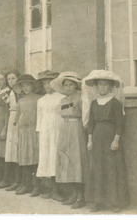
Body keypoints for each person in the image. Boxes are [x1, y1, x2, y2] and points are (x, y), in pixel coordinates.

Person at [83, 70, 129, 212]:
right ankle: (97, 202)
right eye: (100, 85)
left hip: (110, 139)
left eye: (105, 85)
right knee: (97, 168)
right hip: (97, 139)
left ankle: (114, 203)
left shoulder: (115, 103)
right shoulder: (94, 103)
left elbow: (120, 124)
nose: (102, 87)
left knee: (111, 169)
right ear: (96, 87)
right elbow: (91, 123)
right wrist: (90, 140)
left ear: (110, 87)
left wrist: (115, 140)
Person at [52, 71, 87, 209]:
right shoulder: (62, 100)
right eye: (66, 85)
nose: (68, 87)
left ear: (75, 85)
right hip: (65, 129)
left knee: (77, 161)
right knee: (67, 162)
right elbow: (61, 112)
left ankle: (80, 196)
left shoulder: (80, 98)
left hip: (76, 128)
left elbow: (84, 115)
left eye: (71, 85)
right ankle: (72, 194)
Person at [34, 70, 65, 200]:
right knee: (46, 157)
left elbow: (65, 115)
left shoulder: (62, 98)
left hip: (58, 129)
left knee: (56, 156)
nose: (47, 86)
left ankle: (59, 190)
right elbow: (39, 118)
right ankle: (51, 189)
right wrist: (38, 132)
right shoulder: (41, 100)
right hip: (45, 131)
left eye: (50, 83)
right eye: (45, 83)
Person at [12, 74, 41, 195]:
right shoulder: (20, 100)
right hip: (23, 131)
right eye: (23, 86)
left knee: (34, 158)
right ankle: (26, 184)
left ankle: (37, 186)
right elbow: (17, 117)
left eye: (28, 85)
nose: (26, 88)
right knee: (24, 158)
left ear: (33, 86)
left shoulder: (38, 99)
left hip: (33, 130)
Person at [3, 70, 22, 191]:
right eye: (9, 79)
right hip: (11, 118)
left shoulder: (19, 92)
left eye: (13, 78)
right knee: (11, 150)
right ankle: (11, 180)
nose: (11, 81)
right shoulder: (9, 92)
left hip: (18, 118)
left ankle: (18, 181)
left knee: (17, 149)